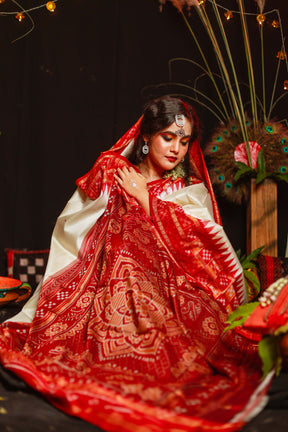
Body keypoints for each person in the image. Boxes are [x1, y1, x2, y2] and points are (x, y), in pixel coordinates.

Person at [0, 96, 278, 432]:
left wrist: (145, 198)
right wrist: (113, 175)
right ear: (146, 137)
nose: (176, 148)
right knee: (122, 229)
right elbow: (81, 218)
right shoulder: (119, 173)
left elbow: (204, 250)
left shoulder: (189, 191)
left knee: (133, 231)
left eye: (184, 140)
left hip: (172, 293)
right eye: (168, 137)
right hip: (104, 286)